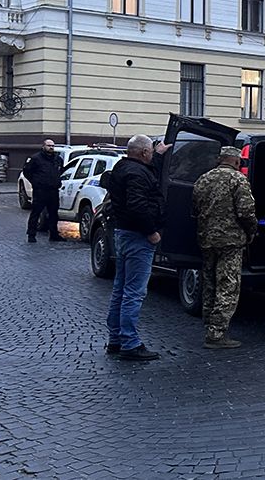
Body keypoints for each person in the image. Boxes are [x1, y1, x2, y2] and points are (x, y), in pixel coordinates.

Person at [104, 134, 170, 361]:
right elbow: (138, 205)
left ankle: (116, 339)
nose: (152, 155)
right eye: (150, 152)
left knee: (120, 289)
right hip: (138, 237)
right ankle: (130, 343)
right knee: (134, 291)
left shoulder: (122, 168)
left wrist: (159, 157)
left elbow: (143, 180)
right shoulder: (137, 174)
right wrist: (151, 231)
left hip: (123, 233)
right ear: (143, 153)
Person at [192, 146, 258, 349]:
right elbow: (246, 212)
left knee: (210, 282)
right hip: (230, 241)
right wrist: (252, 232)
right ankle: (217, 333)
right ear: (237, 162)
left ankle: (209, 323)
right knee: (228, 286)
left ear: (220, 160)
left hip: (207, 239)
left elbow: (194, 208)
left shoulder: (203, 179)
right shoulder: (238, 180)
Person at [23, 139, 64, 243]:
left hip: (53, 190)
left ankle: (54, 234)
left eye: (52, 146)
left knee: (53, 214)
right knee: (36, 213)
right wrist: (35, 182)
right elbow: (27, 172)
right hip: (40, 190)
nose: (51, 147)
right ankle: (31, 235)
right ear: (43, 146)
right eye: (49, 145)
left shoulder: (57, 159)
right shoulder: (36, 158)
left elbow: (60, 171)